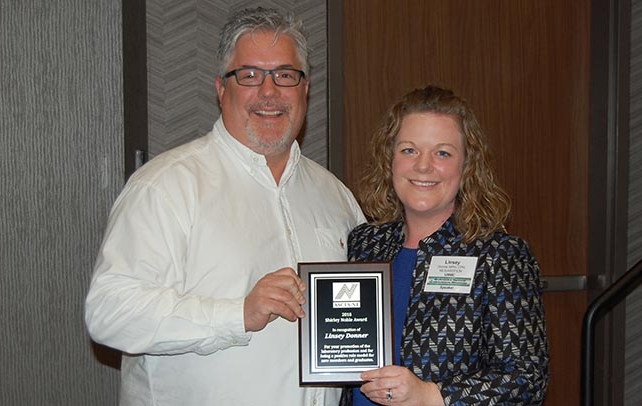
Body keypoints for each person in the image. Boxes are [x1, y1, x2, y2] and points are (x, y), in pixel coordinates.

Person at [85, 7, 365, 406]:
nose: (269, 93)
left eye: (285, 75)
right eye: (249, 75)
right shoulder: (166, 186)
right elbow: (109, 313)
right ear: (221, 88)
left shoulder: (336, 197)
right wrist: (236, 315)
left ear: (305, 89)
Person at [343, 85, 549, 405]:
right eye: (409, 150)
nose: (423, 166)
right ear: (390, 159)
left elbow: (526, 379)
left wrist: (431, 395)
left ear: (466, 166)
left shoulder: (500, 255)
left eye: (442, 153)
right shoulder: (365, 244)